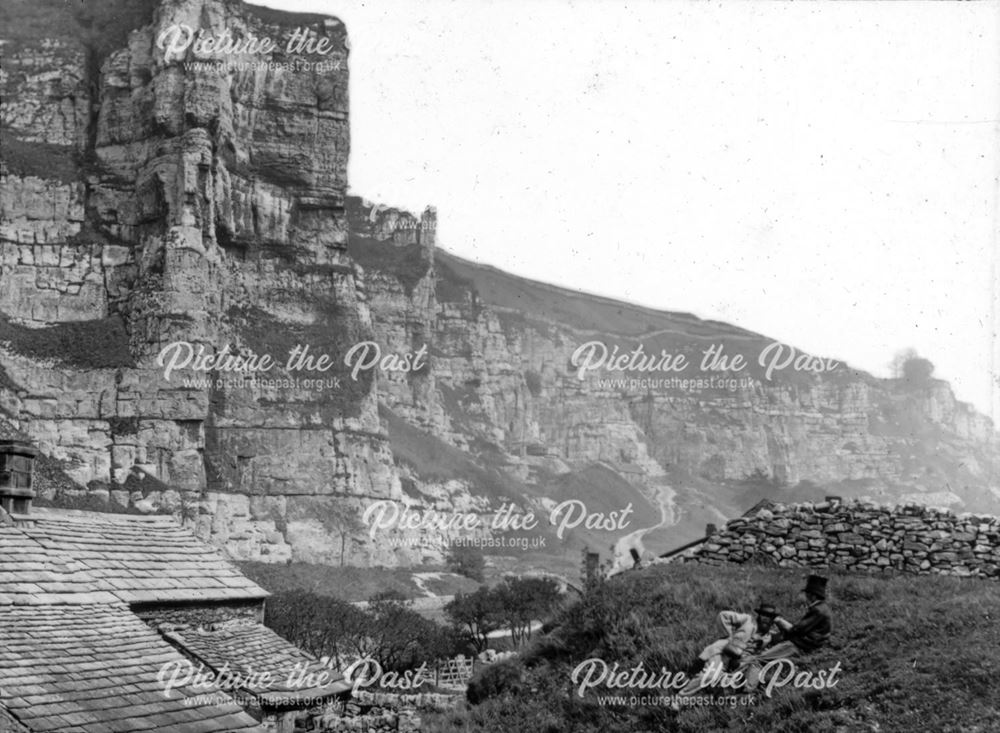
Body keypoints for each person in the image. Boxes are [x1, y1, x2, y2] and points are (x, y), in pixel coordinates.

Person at [744, 574, 831, 693]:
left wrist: (780, 621)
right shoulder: (824, 608)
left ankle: (747, 691)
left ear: (812, 595)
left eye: (807, 594)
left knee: (757, 660)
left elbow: (797, 630)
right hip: (810, 644)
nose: (805, 597)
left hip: (800, 645)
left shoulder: (817, 610)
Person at [677, 602, 779, 696]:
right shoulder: (748, 620)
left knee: (734, 680)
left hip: (740, 661)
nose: (766, 618)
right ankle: (679, 698)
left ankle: (737, 695)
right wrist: (728, 638)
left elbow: (791, 633)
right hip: (724, 652)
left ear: (773, 620)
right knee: (711, 675)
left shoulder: (769, 636)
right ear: (759, 615)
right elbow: (724, 615)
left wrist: (779, 621)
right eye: (763, 615)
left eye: (769, 617)